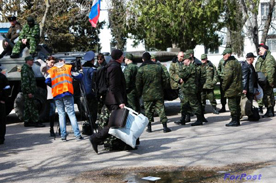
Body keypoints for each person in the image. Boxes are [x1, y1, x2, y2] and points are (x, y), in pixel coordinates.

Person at [89, 49, 127, 153]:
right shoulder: (115, 68)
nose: (123, 57)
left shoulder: (110, 65)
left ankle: (124, 144)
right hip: (114, 100)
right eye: (122, 56)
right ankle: (96, 138)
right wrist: (120, 101)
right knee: (114, 123)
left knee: (118, 122)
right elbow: (114, 86)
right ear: (119, 57)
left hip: (110, 98)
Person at [45, 58, 83, 141]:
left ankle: (63, 136)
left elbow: (47, 81)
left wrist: (54, 86)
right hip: (67, 92)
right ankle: (77, 135)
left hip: (57, 94)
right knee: (71, 114)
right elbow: (79, 77)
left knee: (61, 114)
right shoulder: (68, 67)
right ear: (62, 61)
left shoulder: (52, 70)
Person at [136, 52, 171, 133]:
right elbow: (165, 79)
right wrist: (163, 88)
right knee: (161, 109)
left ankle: (149, 128)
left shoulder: (141, 69)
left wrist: (139, 93)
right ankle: (165, 127)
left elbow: (138, 83)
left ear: (143, 59)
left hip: (147, 94)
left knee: (148, 110)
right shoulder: (158, 67)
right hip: (158, 92)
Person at [179, 54, 203, 126]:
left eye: (184, 60)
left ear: (188, 60)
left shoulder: (191, 67)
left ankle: (199, 119)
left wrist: (182, 71)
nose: (183, 62)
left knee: (194, 104)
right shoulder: (189, 67)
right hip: (187, 88)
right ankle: (182, 119)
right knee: (184, 104)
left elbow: (183, 75)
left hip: (191, 89)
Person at [21, 56, 45, 127]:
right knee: (33, 106)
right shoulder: (25, 69)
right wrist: (29, 92)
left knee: (28, 107)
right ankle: (36, 121)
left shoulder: (28, 68)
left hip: (30, 91)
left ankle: (27, 121)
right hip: (29, 91)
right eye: (31, 60)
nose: (32, 62)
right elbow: (25, 82)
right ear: (27, 61)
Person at [221, 48, 243, 127]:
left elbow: (227, 77)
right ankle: (237, 120)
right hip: (238, 87)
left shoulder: (229, 63)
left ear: (228, 54)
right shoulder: (237, 62)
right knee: (237, 104)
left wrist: (223, 86)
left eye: (224, 54)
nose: (223, 56)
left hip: (231, 88)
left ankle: (234, 120)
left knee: (232, 105)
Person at [37, 56, 57, 137]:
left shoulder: (55, 68)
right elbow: (43, 67)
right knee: (52, 112)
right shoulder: (46, 70)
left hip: (59, 93)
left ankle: (60, 129)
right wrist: (43, 62)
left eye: (53, 62)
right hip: (51, 94)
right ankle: (51, 129)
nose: (53, 64)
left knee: (60, 112)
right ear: (47, 62)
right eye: (51, 62)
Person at [255, 43, 276, 117]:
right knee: (265, 96)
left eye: (260, 50)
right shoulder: (260, 58)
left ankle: (270, 111)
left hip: (268, 81)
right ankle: (268, 110)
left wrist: (270, 82)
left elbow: (271, 71)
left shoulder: (269, 58)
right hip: (262, 81)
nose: (258, 52)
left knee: (269, 96)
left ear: (264, 49)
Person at [81, 51, 98, 129]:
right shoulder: (92, 69)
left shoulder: (82, 69)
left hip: (83, 92)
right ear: (92, 60)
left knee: (87, 109)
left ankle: (89, 123)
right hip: (91, 92)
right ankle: (92, 124)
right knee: (93, 109)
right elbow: (94, 81)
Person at [241, 52, 258, 120]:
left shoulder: (250, 66)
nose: (254, 60)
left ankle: (250, 114)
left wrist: (255, 87)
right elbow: (244, 78)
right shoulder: (245, 66)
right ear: (250, 59)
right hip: (248, 88)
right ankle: (245, 114)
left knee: (249, 102)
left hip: (251, 87)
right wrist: (244, 88)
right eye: (253, 58)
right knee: (246, 102)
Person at [0, 70, 11, 144]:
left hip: (0, 102)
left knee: (1, 121)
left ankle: (1, 138)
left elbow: (7, 89)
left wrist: (3, 99)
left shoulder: (2, 77)